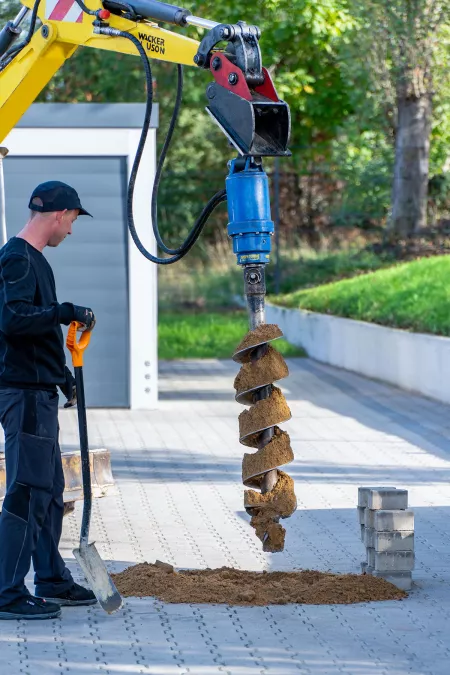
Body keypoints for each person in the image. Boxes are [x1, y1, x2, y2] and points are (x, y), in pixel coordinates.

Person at [0, 181, 97, 620]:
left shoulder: (36, 260)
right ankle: (6, 592)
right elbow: (13, 319)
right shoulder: (17, 258)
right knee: (26, 490)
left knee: (51, 491)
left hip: (38, 390)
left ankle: (52, 578)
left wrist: (62, 376)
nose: (71, 231)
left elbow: (37, 334)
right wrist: (64, 311)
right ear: (59, 214)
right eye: (73, 221)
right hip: (21, 393)